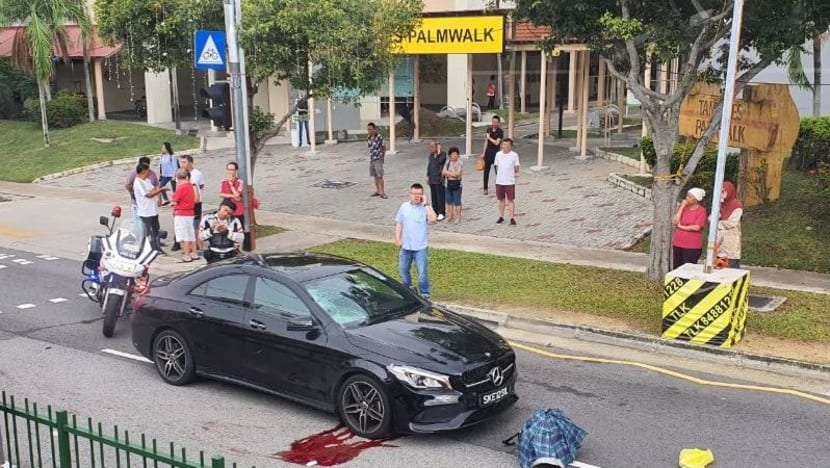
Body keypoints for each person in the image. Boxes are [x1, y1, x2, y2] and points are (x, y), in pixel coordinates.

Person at [395, 183, 437, 298]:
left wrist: (426, 204)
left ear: (422, 195)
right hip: (406, 246)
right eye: (414, 194)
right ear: (410, 194)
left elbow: (433, 219)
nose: (416, 196)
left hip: (420, 247)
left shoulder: (425, 208)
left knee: (422, 273)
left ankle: (424, 293)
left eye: (419, 194)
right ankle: (408, 290)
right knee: (403, 270)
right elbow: (399, 223)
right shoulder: (404, 206)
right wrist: (398, 239)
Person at [133, 162, 168, 253]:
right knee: (147, 231)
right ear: (144, 171)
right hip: (145, 212)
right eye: (148, 170)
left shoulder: (147, 180)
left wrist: (158, 196)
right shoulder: (138, 183)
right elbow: (148, 195)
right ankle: (146, 248)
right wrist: (160, 190)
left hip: (153, 210)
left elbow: (154, 189)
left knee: (156, 229)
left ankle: (156, 246)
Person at [671, 187, 708, 270]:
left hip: (692, 245)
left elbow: (696, 227)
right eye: (687, 196)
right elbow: (675, 221)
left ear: (696, 199)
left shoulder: (701, 210)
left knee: (688, 268)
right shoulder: (684, 208)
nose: (687, 198)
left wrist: (681, 227)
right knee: (677, 267)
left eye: (690, 197)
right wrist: (681, 207)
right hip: (678, 243)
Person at [200, 199, 244, 264]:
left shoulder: (235, 221)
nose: (225, 214)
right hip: (213, 254)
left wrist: (227, 232)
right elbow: (200, 237)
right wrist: (211, 230)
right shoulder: (207, 218)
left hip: (230, 254)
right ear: (220, 207)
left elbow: (241, 238)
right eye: (225, 210)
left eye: (229, 213)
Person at [125, 156, 158, 239]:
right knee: (138, 225)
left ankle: (155, 242)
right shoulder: (134, 175)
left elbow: (155, 186)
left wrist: (158, 195)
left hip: (151, 207)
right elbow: (128, 185)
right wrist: (133, 194)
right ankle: (138, 241)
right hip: (139, 204)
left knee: (154, 225)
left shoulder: (151, 175)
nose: (147, 170)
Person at [219, 161, 249, 250]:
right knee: (226, 227)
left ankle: (240, 249)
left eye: (232, 170)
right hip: (226, 207)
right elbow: (221, 194)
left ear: (236, 171)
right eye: (228, 169)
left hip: (238, 209)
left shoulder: (239, 182)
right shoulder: (223, 181)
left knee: (239, 229)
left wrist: (231, 185)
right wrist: (231, 195)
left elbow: (238, 196)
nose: (230, 172)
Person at [171, 168, 199, 262]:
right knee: (190, 233)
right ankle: (194, 253)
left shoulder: (181, 187)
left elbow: (174, 199)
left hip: (181, 213)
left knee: (184, 235)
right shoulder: (190, 185)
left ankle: (186, 254)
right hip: (190, 212)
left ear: (178, 178)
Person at [179, 154, 205, 251]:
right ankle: (188, 245)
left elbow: (201, 186)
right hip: (184, 204)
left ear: (190, 162)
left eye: (184, 162)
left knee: (196, 224)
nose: (182, 164)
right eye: (181, 162)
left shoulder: (197, 173)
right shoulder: (180, 173)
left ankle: (198, 244)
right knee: (186, 225)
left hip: (196, 203)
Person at [716, 181, 743, 268]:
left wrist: (717, 223)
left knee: (731, 268)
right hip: (720, 243)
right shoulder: (721, 204)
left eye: (723, 191)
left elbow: (731, 223)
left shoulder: (736, 205)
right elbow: (712, 217)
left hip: (731, 241)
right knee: (721, 268)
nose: (721, 194)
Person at [494, 138, 520, 226]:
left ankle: (512, 218)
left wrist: (512, 172)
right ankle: (501, 216)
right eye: (503, 144)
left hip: (510, 182)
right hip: (500, 181)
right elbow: (496, 167)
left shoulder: (514, 155)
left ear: (510, 146)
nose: (503, 146)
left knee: (510, 200)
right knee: (501, 200)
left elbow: (517, 168)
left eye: (505, 144)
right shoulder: (498, 154)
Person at [480, 115, 503, 195]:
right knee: (486, 171)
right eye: (493, 121)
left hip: (496, 154)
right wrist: (483, 153)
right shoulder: (489, 129)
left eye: (496, 122)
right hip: (488, 154)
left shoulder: (500, 131)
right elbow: (486, 142)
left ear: (498, 123)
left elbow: (497, 143)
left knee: (498, 172)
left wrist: (489, 137)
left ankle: (499, 188)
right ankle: (485, 188)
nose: (494, 123)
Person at [442, 146, 464, 224]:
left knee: (457, 201)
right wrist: (451, 174)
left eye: (456, 154)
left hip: (457, 185)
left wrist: (448, 173)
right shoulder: (447, 162)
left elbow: (457, 174)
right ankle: (450, 216)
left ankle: (458, 217)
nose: (454, 155)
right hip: (448, 184)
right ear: (450, 155)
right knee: (449, 201)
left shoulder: (460, 163)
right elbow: (443, 172)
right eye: (452, 154)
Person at [426, 141, 447, 221]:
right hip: (432, 178)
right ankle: (435, 211)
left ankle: (442, 212)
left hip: (439, 179)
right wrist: (428, 176)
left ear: (437, 146)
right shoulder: (431, 155)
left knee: (440, 196)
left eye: (432, 147)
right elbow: (429, 165)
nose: (430, 148)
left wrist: (438, 152)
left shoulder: (443, 154)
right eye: (430, 147)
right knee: (433, 197)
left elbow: (440, 161)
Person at [367, 122, 387, 199]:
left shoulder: (379, 137)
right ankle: (378, 191)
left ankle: (383, 192)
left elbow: (384, 148)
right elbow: (370, 148)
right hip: (372, 159)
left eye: (370, 129)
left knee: (380, 176)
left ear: (374, 129)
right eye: (368, 129)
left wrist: (382, 158)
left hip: (378, 159)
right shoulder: (368, 137)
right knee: (375, 176)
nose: (369, 130)